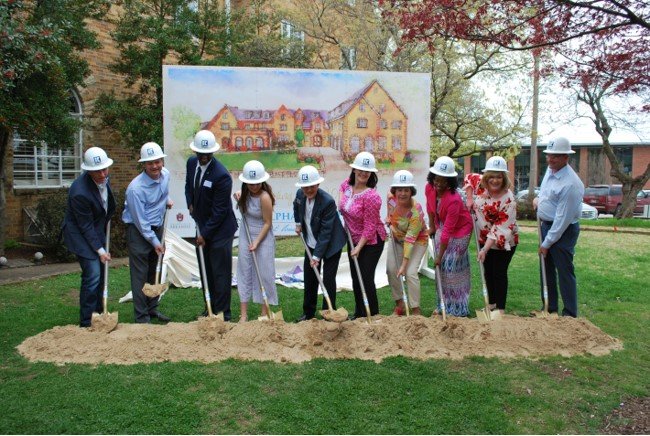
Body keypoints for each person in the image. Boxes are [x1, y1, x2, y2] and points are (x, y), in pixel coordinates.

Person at [184, 130, 238, 321]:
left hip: (220, 230)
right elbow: (188, 186)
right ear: (196, 152)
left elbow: (220, 211)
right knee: (205, 269)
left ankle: (223, 313)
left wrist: (204, 235)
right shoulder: (191, 163)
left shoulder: (221, 175)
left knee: (220, 272)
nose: (204, 157)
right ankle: (210, 308)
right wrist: (190, 202)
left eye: (208, 154)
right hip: (202, 226)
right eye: (201, 154)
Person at [62, 147, 116, 327]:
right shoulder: (79, 192)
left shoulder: (104, 178)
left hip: (96, 229)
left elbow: (105, 206)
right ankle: (86, 321)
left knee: (101, 274)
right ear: (88, 171)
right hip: (79, 234)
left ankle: (100, 313)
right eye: (97, 171)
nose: (102, 174)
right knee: (93, 274)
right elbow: (84, 226)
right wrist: (100, 250)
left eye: (104, 169)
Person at [122, 142, 173, 324]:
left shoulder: (165, 175)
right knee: (140, 275)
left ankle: (152, 309)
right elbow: (141, 222)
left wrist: (166, 199)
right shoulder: (135, 189)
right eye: (150, 163)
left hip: (157, 228)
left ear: (162, 161)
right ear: (143, 164)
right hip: (139, 232)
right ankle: (141, 317)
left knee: (154, 272)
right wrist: (155, 241)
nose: (155, 166)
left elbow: (163, 193)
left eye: (157, 161)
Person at [534, 137, 584, 317]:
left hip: (563, 231)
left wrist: (547, 243)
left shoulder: (571, 184)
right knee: (545, 268)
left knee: (564, 271)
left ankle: (569, 314)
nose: (550, 159)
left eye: (555, 156)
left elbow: (562, 220)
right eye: (548, 155)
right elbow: (546, 191)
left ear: (566, 157)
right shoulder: (551, 170)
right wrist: (539, 199)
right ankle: (549, 308)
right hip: (546, 226)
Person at [463, 156, 519, 313]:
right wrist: (469, 199)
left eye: (499, 176)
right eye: (492, 176)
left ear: (504, 178)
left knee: (499, 272)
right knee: (488, 271)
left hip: (503, 240)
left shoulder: (509, 200)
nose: (495, 180)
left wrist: (484, 250)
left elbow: (499, 229)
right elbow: (469, 178)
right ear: (487, 177)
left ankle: (500, 309)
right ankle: (491, 304)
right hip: (483, 237)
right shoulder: (482, 187)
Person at [293, 165, 346, 321]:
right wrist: (298, 223)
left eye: (311, 186)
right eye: (305, 187)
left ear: (318, 184)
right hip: (311, 241)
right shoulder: (299, 194)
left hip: (331, 245)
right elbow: (296, 207)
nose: (308, 190)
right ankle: (308, 313)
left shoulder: (327, 202)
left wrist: (316, 257)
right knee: (310, 278)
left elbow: (326, 233)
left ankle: (328, 313)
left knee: (328, 279)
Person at [339, 151, 386, 319]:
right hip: (353, 239)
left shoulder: (372, 197)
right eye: (360, 169)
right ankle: (359, 313)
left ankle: (372, 315)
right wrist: (342, 208)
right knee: (355, 278)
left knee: (365, 278)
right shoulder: (347, 185)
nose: (363, 173)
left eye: (367, 171)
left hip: (372, 241)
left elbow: (370, 226)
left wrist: (359, 247)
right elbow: (341, 192)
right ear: (354, 170)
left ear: (371, 173)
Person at [426, 156, 473, 317]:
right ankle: (442, 306)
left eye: (443, 181)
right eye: (436, 179)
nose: (438, 184)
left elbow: (448, 232)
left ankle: (458, 308)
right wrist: (432, 226)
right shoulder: (429, 188)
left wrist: (438, 256)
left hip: (460, 232)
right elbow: (430, 208)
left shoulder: (453, 200)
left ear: (450, 181)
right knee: (442, 271)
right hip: (442, 227)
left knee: (452, 270)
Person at [235, 160, 278, 322]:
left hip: (263, 235)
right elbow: (241, 204)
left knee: (265, 272)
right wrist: (237, 196)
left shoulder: (265, 197)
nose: (254, 186)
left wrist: (257, 242)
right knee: (244, 270)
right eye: (250, 183)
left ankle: (263, 313)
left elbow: (268, 222)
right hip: (246, 233)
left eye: (257, 183)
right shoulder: (243, 194)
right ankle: (244, 314)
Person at [385, 170, 428, 316]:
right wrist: (388, 218)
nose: (402, 193)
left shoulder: (415, 212)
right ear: (394, 190)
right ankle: (400, 305)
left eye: (406, 190)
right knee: (391, 270)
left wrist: (403, 265)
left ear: (411, 191)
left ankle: (415, 309)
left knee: (409, 273)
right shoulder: (391, 198)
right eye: (399, 190)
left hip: (416, 241)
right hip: (397, 237)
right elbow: (390, 208)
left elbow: (410, 240)